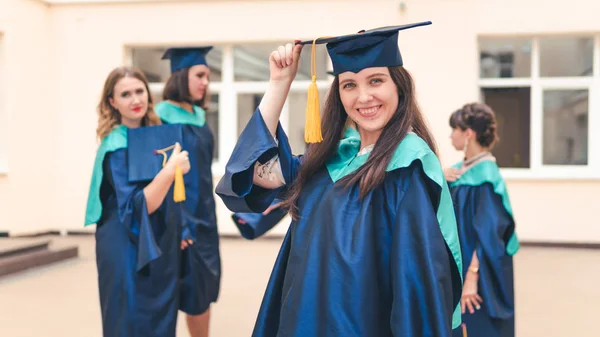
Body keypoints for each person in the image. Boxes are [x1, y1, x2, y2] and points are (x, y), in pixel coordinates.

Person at [216, 21, 463, 336]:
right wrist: (279, 84)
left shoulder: (407, 167)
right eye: (349, 85)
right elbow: (248, 174)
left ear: (398, 86)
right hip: (305, 319)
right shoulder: (330, 160)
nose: (363, 97)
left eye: (376, 80)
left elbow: (417, 288)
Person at [84, 66, 190, 336]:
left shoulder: (157, 135)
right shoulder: (115, 146)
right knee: (127, 319)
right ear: (112, 102)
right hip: (124, 243)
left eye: (140, 91)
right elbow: (138, 205)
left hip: (159, 237)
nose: (135, 100)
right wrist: (170, 170)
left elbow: (169, 194)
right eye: (125, 94)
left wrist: (182, 227)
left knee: (160, 318)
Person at [156, 47, 221, 337]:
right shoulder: (160, 118)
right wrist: (178, 223)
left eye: (207, 76)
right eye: (200, 75)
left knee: (201, 292)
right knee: (167, 293)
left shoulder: (199, 116)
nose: (205, 82)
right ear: (181, 76)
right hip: (176, 219)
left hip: (204, 217)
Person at [445, 102, 520, 337]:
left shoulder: (486, 178)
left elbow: (490, 234)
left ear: (468, 134)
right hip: (460, 263)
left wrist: (472, 277)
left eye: (454, 129)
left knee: (478, 325)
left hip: (479, 272)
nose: (450, 136)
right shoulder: (459, 170)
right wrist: (437, 175)